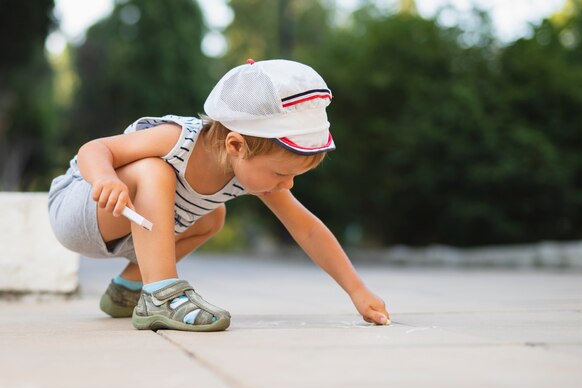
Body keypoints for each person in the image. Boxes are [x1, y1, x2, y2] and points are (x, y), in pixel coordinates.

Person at [48, 59, 389, 332]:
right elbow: (96, 148)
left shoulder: (249, 173)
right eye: (281, 173)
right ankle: (161, 295)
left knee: (213, 216)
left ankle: (128, 290)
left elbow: (307, 228)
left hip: (127, 232)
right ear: (236, 145)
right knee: (154, 170)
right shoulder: (176, 139)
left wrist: (357, 291)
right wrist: (106, 179)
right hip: (82, 208)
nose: (287, 185)